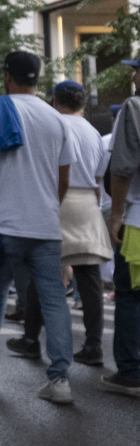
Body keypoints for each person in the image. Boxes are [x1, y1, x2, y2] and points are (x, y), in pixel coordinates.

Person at [0, 50, 74, 402]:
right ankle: (60, 380)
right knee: (54, 300)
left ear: (8, 75)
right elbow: (62, 179)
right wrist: (46, 208)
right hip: (46, 227)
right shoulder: (56, 119)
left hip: (2, 225)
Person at [7, 80, 110, 369]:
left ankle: (30, 339)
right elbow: (100, 178)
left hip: (55, 199)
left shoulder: (50, 125)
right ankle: (93, 345)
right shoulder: (93, 132)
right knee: (90, 278)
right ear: (82, 104)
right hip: (87, 201)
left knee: (42, 271)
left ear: (55, 100)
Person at [101, 59, 140, 397]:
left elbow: (123, 168)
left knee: (130, 296)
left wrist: (116, 216)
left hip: (138, 221)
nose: (133, 76)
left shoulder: (134, 106)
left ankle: (130, 372)